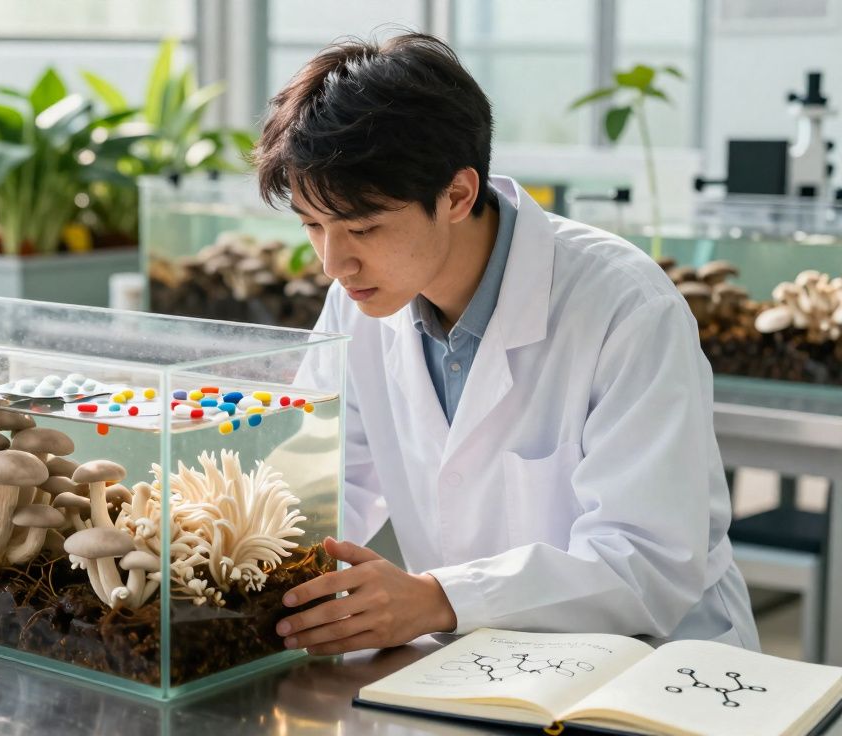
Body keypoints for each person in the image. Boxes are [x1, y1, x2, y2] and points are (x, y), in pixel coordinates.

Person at [256, 33, 759, 655]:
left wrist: (439, 599)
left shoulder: (625, 307)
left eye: (364, 227)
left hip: (652, 668)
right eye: (314, 225)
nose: (334, 262)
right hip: (480, 667)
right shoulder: (361, 301)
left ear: (458, 194)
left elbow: (649, 561)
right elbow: (323, 484)